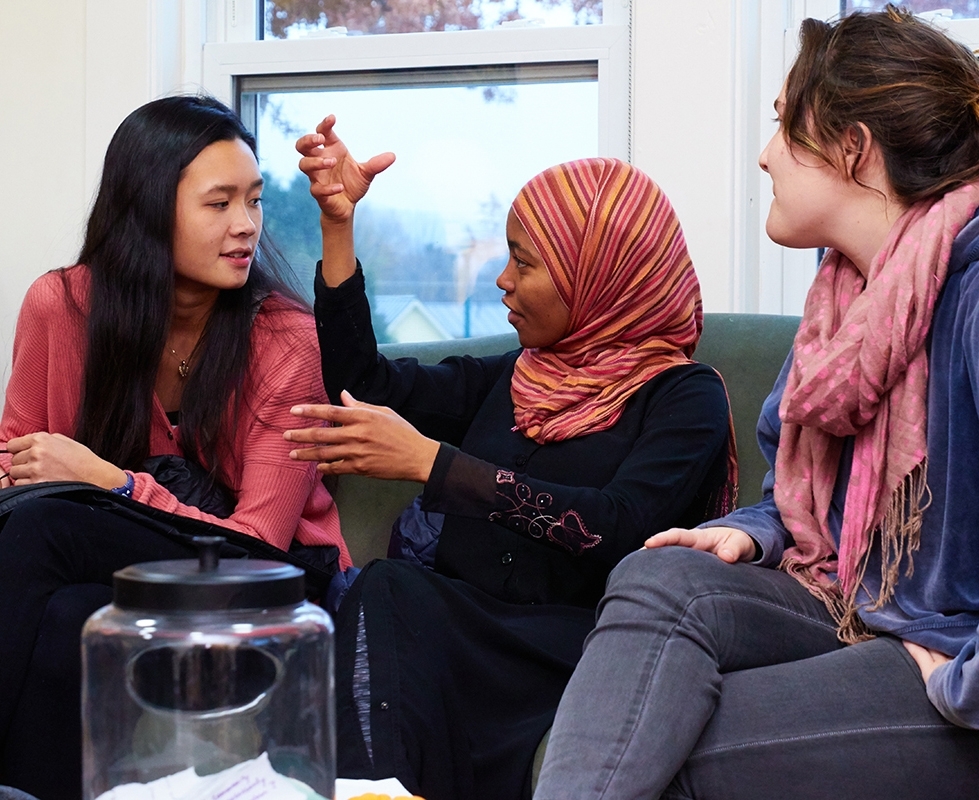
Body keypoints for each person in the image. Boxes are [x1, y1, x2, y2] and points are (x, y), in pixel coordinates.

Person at [533, 7, 979, 799]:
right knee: (655, 576)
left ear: (853, 147)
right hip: (857, 601)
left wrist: (960, 678)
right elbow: (802, 506)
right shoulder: (843, 300)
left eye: (783, 126)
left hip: (949, 661)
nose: (764, 154)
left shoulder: (971, 296)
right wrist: (749, 534)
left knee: (674, 749)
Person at [283, 119, 737, 799]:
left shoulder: (681, 396)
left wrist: (437, 466)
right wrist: (338, 226)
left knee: (388, 595)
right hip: (457, 628)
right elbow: (364, 386)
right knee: (385, 597)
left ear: (596, 276)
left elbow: (614, 527)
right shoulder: (516, 375)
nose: (501, 280)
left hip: (572, 649)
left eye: (524, 262)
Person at [0, 94, 350, 799]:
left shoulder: (284, 337)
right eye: (218, 204)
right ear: (147, 209)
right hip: (120, 580)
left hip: (265, 581)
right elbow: (15, 460)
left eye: (252, 200)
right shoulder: (62, 307)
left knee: (44, 522)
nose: (246, 225)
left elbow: (260, 543)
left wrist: (109, 482)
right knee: (68, 616)